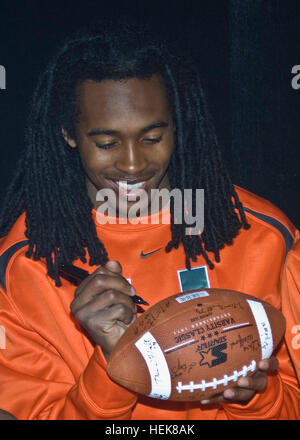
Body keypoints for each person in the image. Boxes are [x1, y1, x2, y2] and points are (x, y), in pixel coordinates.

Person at [0, 19, 299, 420]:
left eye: (152, 138)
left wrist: (257, 399)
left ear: (178, 126)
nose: (132, 162)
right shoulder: (23, 264)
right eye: (106, 142)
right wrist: (113, 364)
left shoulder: (264, 235)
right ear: (68, 134)